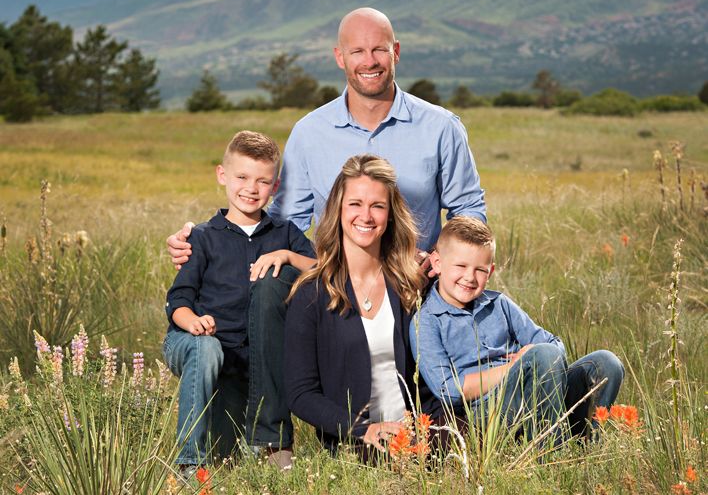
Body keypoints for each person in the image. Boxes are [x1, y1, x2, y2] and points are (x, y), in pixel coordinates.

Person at [167, 6, 486, 268]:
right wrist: (203, 242)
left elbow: (468, 209)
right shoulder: (309, 133)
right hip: (333, 287)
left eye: (379, 49)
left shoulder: (441, 128)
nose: (370, 61)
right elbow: (283, 223)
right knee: (270, 289)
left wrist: (439, 258)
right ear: (340, 57)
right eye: (357, 51)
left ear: (396, 52)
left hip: (416, 283)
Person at [163, 130, 315, 473]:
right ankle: (189, 464)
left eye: (263, 181)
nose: (251, 188)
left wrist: (288, 256)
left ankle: (270, 445)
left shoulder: (285, 233)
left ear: (275, 188)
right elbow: (179, 299)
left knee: (227, 459)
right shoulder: (202, 237)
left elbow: (323, 269)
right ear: (222, 176)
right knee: (206, 350)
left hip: (254, 359)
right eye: (242, 177)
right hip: (204, 346)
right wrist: (194, 323)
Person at [410, 217, 624, 444]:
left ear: (490, 271)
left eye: (480, 270)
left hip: (532, 389)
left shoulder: (499, 304)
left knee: (606, 363)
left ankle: (587, 444)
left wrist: (531, 361)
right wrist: (513, 367)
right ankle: (549, 453)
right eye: (460, 266)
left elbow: (555, 345)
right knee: (542, 356)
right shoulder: (426, 321)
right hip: (487, 411)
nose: (470, 277)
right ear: (437, 263)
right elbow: (449, 390)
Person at [284, 154, 434, 454]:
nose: (365, 216)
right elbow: (300, 394)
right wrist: (361, 429)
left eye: (377, 206)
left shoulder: (411, 283)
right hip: (355, 445)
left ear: (390, 214)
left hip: (419, 436)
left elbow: (436, 372)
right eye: (355, 204)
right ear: (338, 209)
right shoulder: (311, 294)